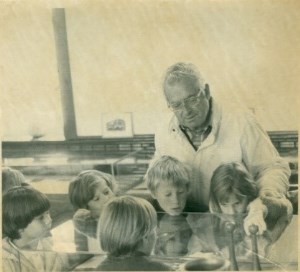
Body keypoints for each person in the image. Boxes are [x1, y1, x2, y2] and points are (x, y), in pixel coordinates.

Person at [154, 62, 291, 233]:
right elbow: (158, 179)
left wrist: (265, 200)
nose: (186, 110)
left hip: (240, 223)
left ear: (207, 91)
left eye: (192, 100)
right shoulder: (164, 132)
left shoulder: (241, 121)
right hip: (189, 227)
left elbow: (271, 168)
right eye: (177, 105)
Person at [209, 162, 293, 257]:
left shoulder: (258, 205)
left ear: (248, 195)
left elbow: (285, 207)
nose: (232, 212)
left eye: (237, 203)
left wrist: (260, 210)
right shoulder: (216, 215)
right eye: (224, 204)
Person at [96, 195, 172, 271]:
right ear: (146, 236)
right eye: (154, 230)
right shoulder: (160, 269)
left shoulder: (100, 269)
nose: (156, 235)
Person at [2, 185, 67, 272]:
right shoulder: (5, 258)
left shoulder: (49, 244)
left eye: (48, 213)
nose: (49, 220)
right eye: (41, 218)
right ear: (19, 225)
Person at [68, 170, 117, 252]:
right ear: (86, 207)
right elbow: (81, 252)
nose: (106, 199)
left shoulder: (125, 211)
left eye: (106, 192)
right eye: (96, 199)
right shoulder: (82, 224)